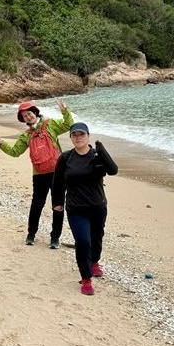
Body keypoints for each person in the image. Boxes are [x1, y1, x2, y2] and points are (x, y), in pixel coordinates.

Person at [0, 100, 72, 248]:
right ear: (23, 120)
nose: (28, 117)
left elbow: (68, 125)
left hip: (57, 173)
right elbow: (15, 152)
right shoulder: (26, 136)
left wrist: (65, 111)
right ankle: (31, 234)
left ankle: (55, 237)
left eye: (29, 113)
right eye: (24, 116)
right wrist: (1, 143)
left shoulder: (51, 124)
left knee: (58, 205)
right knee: (36, 205)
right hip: (39, 174)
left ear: (35, 112)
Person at [51, 122, 118, 296]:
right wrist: (57, 203)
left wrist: (101, 150)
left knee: (96, 238)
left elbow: (113, 170)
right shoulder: (66, 158)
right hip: (76, 208)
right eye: (74, 135)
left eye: (81, 134)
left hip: (97, 206)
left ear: (88, 136)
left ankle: (94, 262)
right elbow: (57, 182)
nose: (78, 137)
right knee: (82, 242)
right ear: (71, 138)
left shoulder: (97, 155)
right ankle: (86, 278)